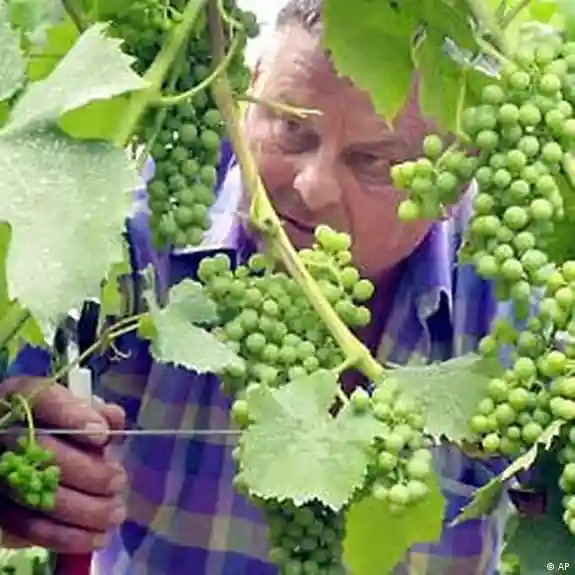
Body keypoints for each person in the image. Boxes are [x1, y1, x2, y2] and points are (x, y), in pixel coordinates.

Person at [0, 0, 515, 572]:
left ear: (454, 183)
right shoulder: (125, 240)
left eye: (373, 160)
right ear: (246, 89)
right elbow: (18, 404)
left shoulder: (514, 304)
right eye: (292, 127)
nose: (311, 186)